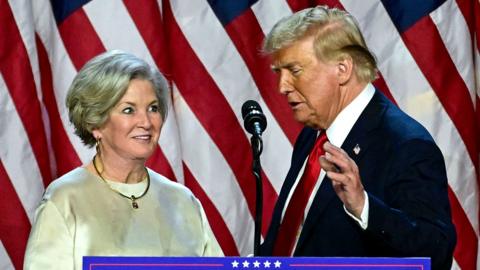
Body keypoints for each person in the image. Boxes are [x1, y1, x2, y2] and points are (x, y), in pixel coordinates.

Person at [259, 6, 456, 270]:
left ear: (342, 69)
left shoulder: (405, 144)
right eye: (278, 73)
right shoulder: (313, 135)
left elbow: (436, 250)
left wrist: (363, 207)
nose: (282, 86)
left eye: (294, 70)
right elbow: (293, 239)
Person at [24, 50, 223, 269]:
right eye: (129, 110)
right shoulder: (64, 200)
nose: (146, 122)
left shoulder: (183, 201)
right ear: (95, 123)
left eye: (153, 108)